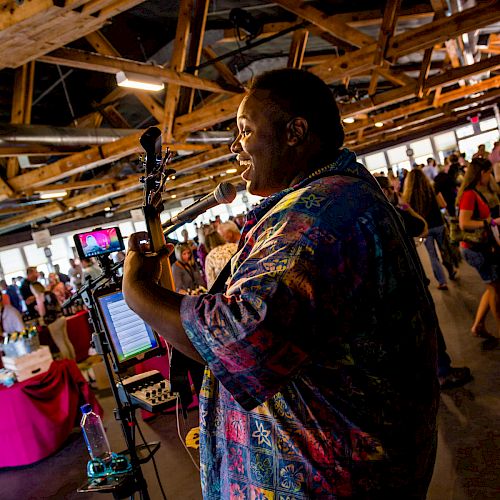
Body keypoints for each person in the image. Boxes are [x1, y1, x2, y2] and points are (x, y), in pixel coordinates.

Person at [123, 68, 439, 498]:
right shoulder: (333, 197)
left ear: (295, 132)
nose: (235, 146)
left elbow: (242, 340)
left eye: (246, 130)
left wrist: (138, 293)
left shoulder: (319, 214)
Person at [376, 176, 472, 389]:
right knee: (429, 328)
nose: (394, 191)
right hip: (410, 282)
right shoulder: (390, 212)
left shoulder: (365, 217)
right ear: (383, 190)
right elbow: (422, 227)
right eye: (390, 189)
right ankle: (443, 372)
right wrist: (406, 207)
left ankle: (425, 377)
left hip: (388, 291)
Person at [457, 158, 500, 350]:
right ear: (480, 173)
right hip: (476, 249)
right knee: (495, 289)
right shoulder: (469, 194)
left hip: (477, 248)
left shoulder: (472, 192)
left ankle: (479, 325)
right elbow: (464, 223)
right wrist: (490, 223)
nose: (489, 176)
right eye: (488, 172)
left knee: (491, 286)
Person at [403, 168, 457, 289]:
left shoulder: (409, 195)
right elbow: (443, 204)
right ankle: (451, 271)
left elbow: (408, 212)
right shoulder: (433, 189)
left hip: (425, 229)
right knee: (445, 251)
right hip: (439, 225)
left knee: (433, 256)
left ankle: (442, 282)